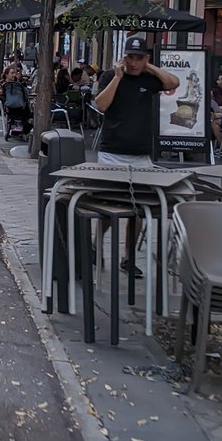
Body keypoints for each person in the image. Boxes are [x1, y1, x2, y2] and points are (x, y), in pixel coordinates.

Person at [93, 37, 181, 275]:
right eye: (130, 57)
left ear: (145, 58)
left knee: (137, 209)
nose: (133, 62)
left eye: (138, 57)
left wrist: (149, 67)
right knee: (107, 206)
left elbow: (174, 82)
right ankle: (96, 244)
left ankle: (128, 258)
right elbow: (101, 105)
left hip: (141, 154)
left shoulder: (149, 79)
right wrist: (118, 78)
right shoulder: (109, 77)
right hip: (112, 152)